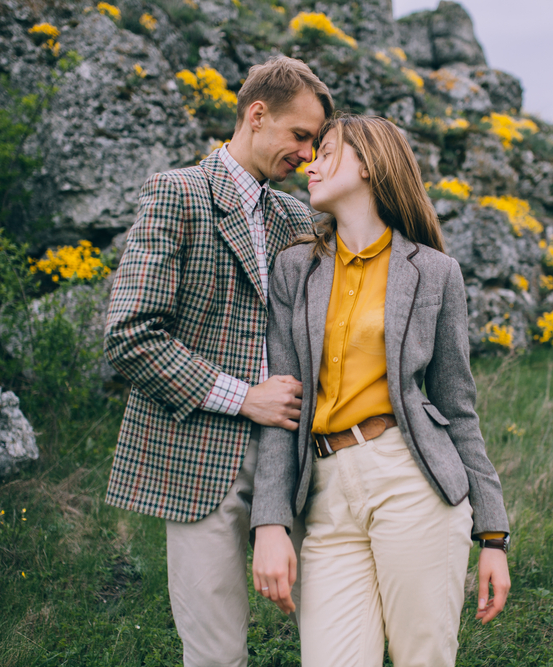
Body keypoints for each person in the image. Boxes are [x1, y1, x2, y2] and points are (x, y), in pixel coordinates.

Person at [250, 114, 511, 667]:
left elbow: (458, 409)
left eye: (327, 151)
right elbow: (282, 402)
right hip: (324, 498)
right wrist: (271, 522)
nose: (310, 163)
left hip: (412, 482)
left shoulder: (435, 272)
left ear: (368, 164)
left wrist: (493, 536)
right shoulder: (295, 268)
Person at [103, 56, 332, 667]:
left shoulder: (296, 216)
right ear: (257, 115)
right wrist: (242, 395)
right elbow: (129, 334)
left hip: (296, 456)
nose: (308, 156)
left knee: (340, 636)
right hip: (199, 458)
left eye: (315, 143)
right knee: (215, 654)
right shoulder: (174, 193)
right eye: (300, 136)